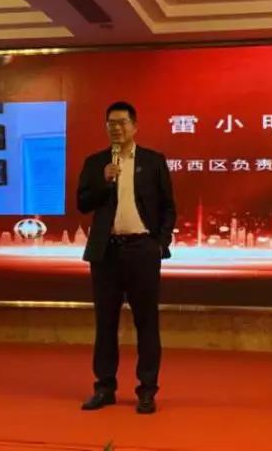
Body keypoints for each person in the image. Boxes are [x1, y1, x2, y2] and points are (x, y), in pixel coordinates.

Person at [76, 101, 176, 415]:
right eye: (111, 123)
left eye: (121, 122)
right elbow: (83, 203)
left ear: (134, 126)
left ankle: (146, 390)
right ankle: (104, 388)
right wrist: (104, 181)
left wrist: (158, 244)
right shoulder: (95, 163)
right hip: (106, 252)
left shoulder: (153, 161)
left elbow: (168, 207)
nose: (116, 128)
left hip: (142, 251)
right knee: (105, 324)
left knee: (146, 323)